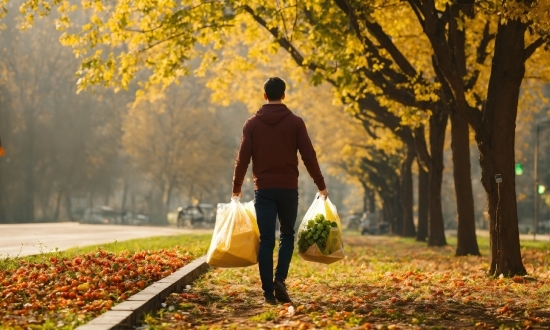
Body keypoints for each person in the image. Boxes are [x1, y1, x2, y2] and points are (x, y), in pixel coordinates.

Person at [232, 77, 329, 305]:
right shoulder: (295, 123)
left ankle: (267, 291)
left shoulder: (252, 124)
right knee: (287, 235)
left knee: (267, 239)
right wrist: (320, 184)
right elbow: (309, 156)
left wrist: (236, 188)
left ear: (264, 96)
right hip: (288, 188)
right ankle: (280, 281)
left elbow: (242, 160)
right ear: (283, 95)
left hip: (263, 190)